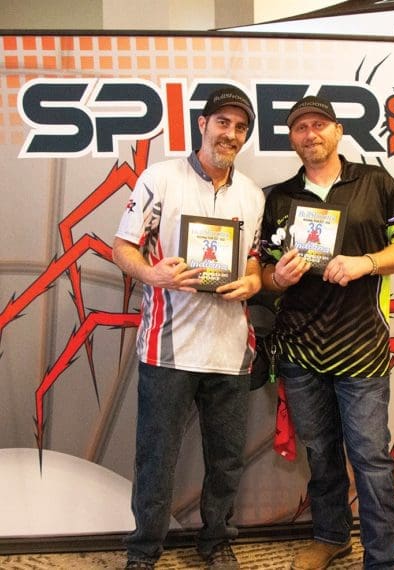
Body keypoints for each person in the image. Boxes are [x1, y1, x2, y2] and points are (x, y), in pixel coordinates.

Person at [260, 96, 394, 570]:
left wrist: (365, 263)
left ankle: (383, 558)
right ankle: (332, 537)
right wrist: (278, 278)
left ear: (337, 131)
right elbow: (264, 273)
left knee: (371, 459)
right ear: (292, 138)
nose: (310, 134)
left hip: (362, 347)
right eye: (300, 127)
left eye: (319, 124)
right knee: (320, 453)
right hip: (300, 349)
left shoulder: (375, 182)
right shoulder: (280, 198)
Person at [112, 86, 265, 570]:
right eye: (222, 122)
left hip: (230, 351)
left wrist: (253, 281)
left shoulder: (253, 194)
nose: (231, 134)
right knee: (156, 459)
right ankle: (143, 551)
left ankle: (216, 541)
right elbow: (122, 247)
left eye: (240, 127)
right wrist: (153, 274)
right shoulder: (160, 178)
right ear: (202, 124)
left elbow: (254, 258)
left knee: (226, 460)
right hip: (167, 350)